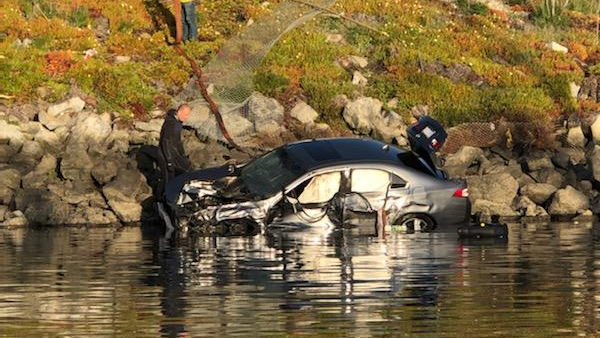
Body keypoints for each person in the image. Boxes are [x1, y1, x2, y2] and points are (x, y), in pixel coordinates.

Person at [160, 103, 192, 181]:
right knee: (168, 180)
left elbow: (178, 142)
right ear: (179, 112)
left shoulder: (177, 123)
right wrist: (169, 161)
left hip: (172, 153)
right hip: (165, 155)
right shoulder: (171, 123)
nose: (186, 117)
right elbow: (165, 142)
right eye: (185, 115)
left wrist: (183, 155)